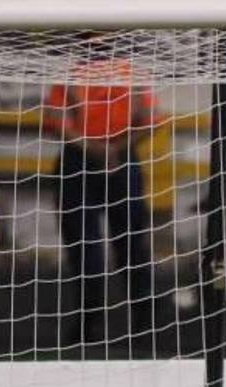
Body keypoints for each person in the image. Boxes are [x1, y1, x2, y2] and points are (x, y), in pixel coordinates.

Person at [44, 37, 160, 352]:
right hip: (81, 163)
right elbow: (57, 121)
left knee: (132, 246)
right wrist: (101, 149)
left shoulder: (132, 73)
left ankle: (143, 321)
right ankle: (90, 321)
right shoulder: (71, 75)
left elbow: (152, 120)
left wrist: (115, 148)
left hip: (120, 161)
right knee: (85, 249)